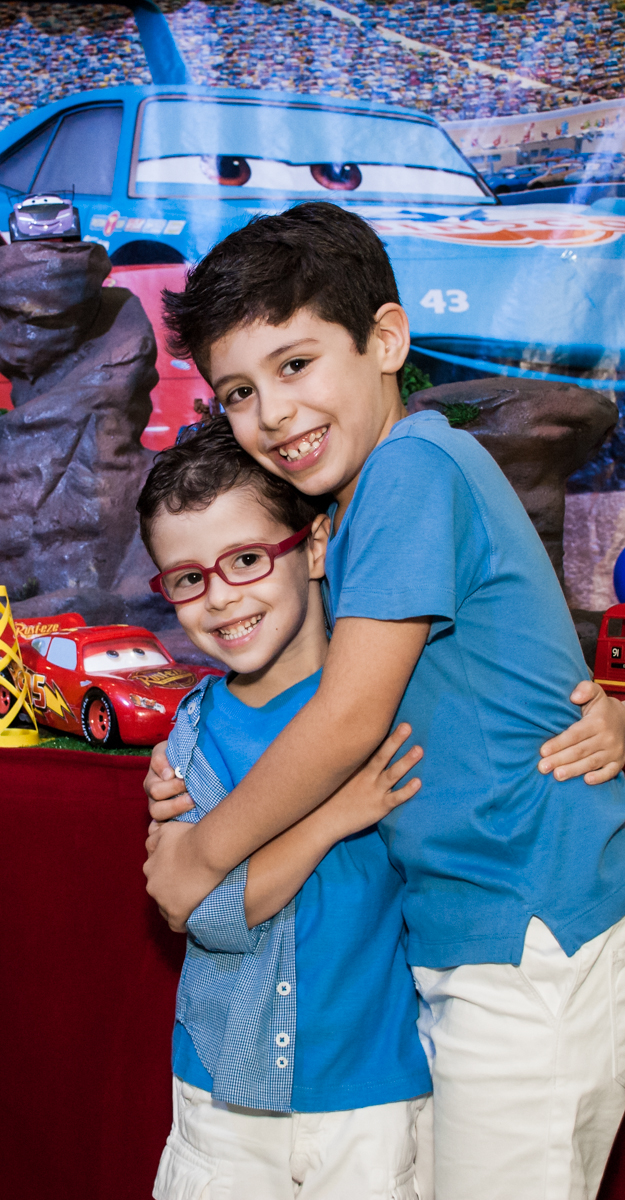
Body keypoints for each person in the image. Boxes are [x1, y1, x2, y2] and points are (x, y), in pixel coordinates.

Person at [144, 202, 625, 1200]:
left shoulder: (410, 470)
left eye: (296, 365)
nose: (274, 413)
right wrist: (189, 763)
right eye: (240, 391)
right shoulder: (357, 501)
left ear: (385, 339)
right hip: (476, 934)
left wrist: (200, 860)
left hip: (533, 928)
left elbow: (344, 719)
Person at [138, 417, 434, 1198]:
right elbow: (204, 912)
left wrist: (604, 716)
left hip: (372, 1094)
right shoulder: (192, 737)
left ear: (310, 547)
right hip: (222, 1099)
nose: (222, 598)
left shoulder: (388, 691)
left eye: (244, 560)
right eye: (188, 577)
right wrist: (334, 816)